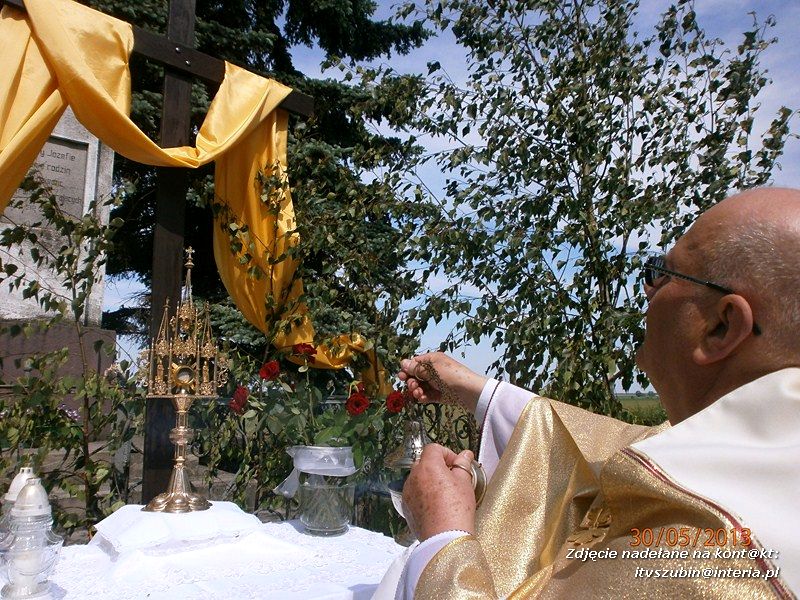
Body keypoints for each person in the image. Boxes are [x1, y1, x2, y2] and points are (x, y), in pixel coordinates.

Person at [376, 187, 800, 599]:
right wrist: (474, 389)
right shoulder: (765, 451)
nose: (647, 290)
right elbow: (608, 449)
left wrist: (443, 540)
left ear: (721, 326)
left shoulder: (717, 559)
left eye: (663, 273)